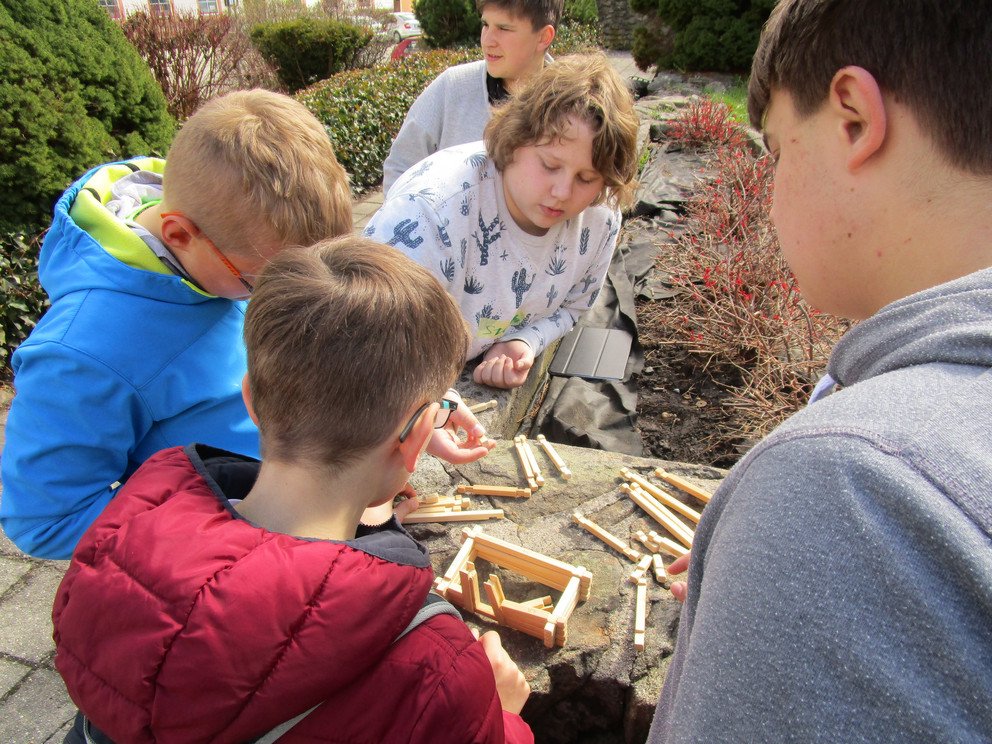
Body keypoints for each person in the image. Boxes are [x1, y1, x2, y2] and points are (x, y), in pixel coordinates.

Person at [648, 1, 992, 741]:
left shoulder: (849, 488)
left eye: (775, 152)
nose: (769, 195)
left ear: (854, 120)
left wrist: (783, 539)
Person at [52, 236, 534, 744]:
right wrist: (500, 715)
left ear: (251, 400)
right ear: (418, 438)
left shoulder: (122, 531)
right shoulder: (437, 664)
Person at [1, 89, 491, 561]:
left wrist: (410, 411)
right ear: (179, 234)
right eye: (259, 283)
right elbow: (45, 519)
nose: (275, 297)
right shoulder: (83, 352)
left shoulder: (226, 237)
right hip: (225, 555)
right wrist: (234, 521)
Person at [366, 52, 638, 389]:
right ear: (513, 140)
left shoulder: (601, 218)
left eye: (586, 178)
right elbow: (367, 351)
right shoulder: (427, 217)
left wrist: (526, 340)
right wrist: (429, 408)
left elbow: (573, 306)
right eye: (550, 166)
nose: (562, 192)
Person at [381, 0, 562, 194]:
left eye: (504, 28)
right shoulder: (453, 87)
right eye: (485, 25)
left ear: (544, 37)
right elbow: (400, 169)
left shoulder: (571, 105)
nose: (487, 40)